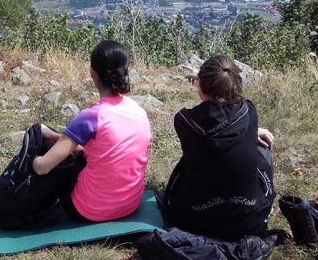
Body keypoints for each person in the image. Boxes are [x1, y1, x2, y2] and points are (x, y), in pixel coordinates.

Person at [32, 40, 152, 222]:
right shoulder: (139, 111)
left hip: (88, 210)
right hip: (130, 205)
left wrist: (29, 160)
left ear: (92, 72)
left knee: (51, 163)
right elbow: (106, 150)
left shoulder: (90, 117)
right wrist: (57, 136)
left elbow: (42, 168)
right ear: (127, 72)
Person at [162, 55, 275, 241]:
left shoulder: (184, 121)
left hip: (195, 220)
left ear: (200, 86)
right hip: (248, 222)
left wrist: (203, 78)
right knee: (262, 149)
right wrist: (252, 131)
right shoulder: (248, 111)